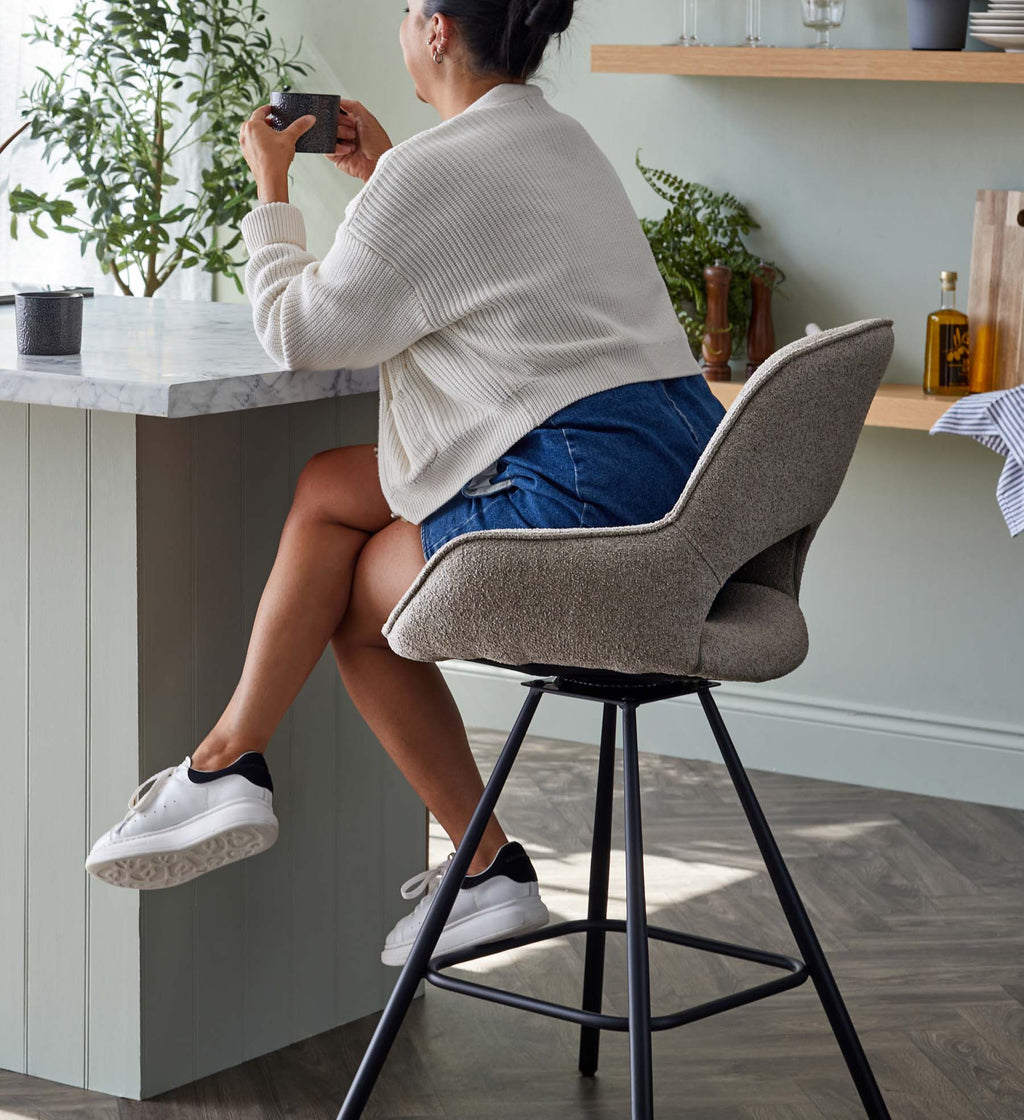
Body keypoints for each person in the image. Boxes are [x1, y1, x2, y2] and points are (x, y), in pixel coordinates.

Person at [85, 0, 727, 966]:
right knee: (329, 487)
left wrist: (272, 189)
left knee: (353, 594)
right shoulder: (560, 142)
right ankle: (233, 764)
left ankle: (447, 848)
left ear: (434, 30)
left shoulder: (436, 169)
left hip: (593, 510)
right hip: (688, 489)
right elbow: (484, 265)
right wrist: (386, 174)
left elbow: (300, 333)